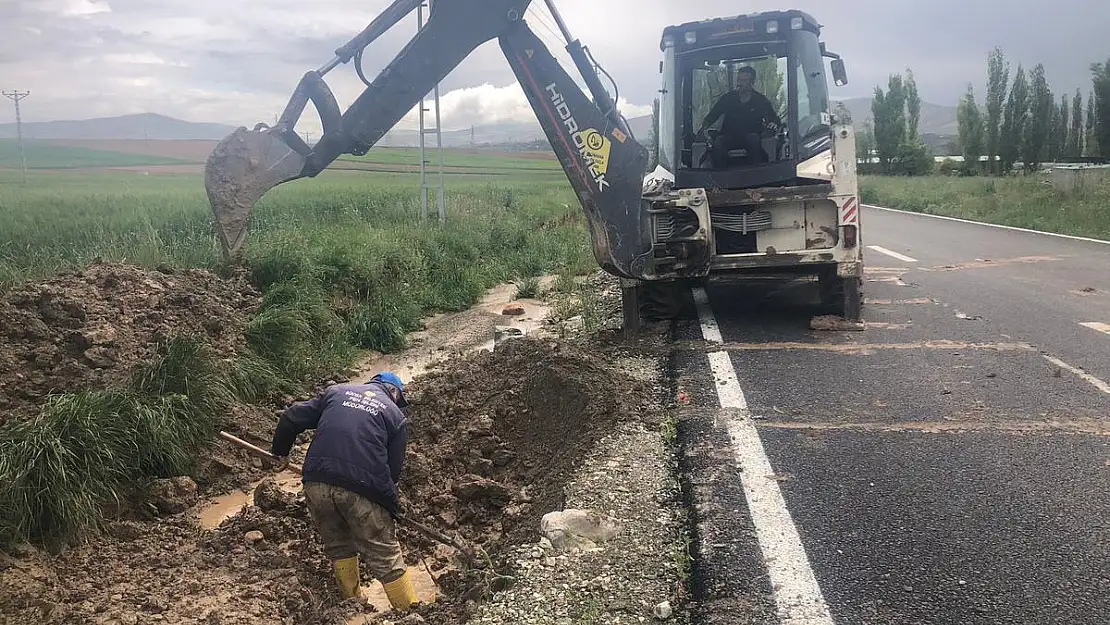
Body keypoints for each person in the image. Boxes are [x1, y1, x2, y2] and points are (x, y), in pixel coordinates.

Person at [269, 371, 417, 610]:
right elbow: (393, 472)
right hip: (363, 488)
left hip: (316, 481)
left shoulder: (335, 392)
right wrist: (387, 506)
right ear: (393, 392)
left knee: (338, 545)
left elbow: (290, 417)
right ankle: (412, 612)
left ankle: (352, 606)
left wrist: (281, 453)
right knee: (386, 556)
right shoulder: (395, 416)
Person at [697, 65, 783, 167]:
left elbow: (774, 118)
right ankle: (720, 176)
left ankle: (756, 173)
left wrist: (774, 123)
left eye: (743, 80)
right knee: (719, 142)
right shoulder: (728, 98)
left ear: (752, 82)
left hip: (751, 135)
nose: (739, 83)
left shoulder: (760, 100)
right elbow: (713, 115)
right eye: (738, 80)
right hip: (729, 136)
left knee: (754, 140)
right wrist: (705, 126)